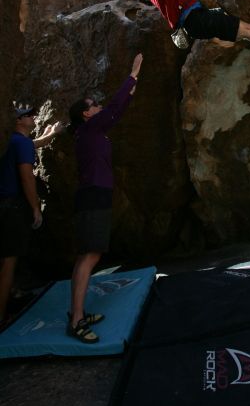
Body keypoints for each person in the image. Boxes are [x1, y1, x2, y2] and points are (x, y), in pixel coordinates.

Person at [67, 54, 143, 343]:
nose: (97, 107)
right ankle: (76, 320)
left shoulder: (90, 132)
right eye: (93, 106)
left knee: (86, 255)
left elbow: (116, 108)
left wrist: (131, 87)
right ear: (86, 114)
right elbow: (112, 108)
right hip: (93, 197)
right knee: (90, 255)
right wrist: (133, 73)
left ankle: (77, 312)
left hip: (92, 195)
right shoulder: (89, 129)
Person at [0, 105, 63, 326]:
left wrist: (51, 134)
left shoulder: (13, 142)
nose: (34, 117)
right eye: (28, 116)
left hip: (3, 205)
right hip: (13, 207)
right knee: (9, 260)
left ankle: (11, 295)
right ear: (18, 121)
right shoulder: (21, 142)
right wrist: (35, 207)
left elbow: (33, 144)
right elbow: (27, 176)